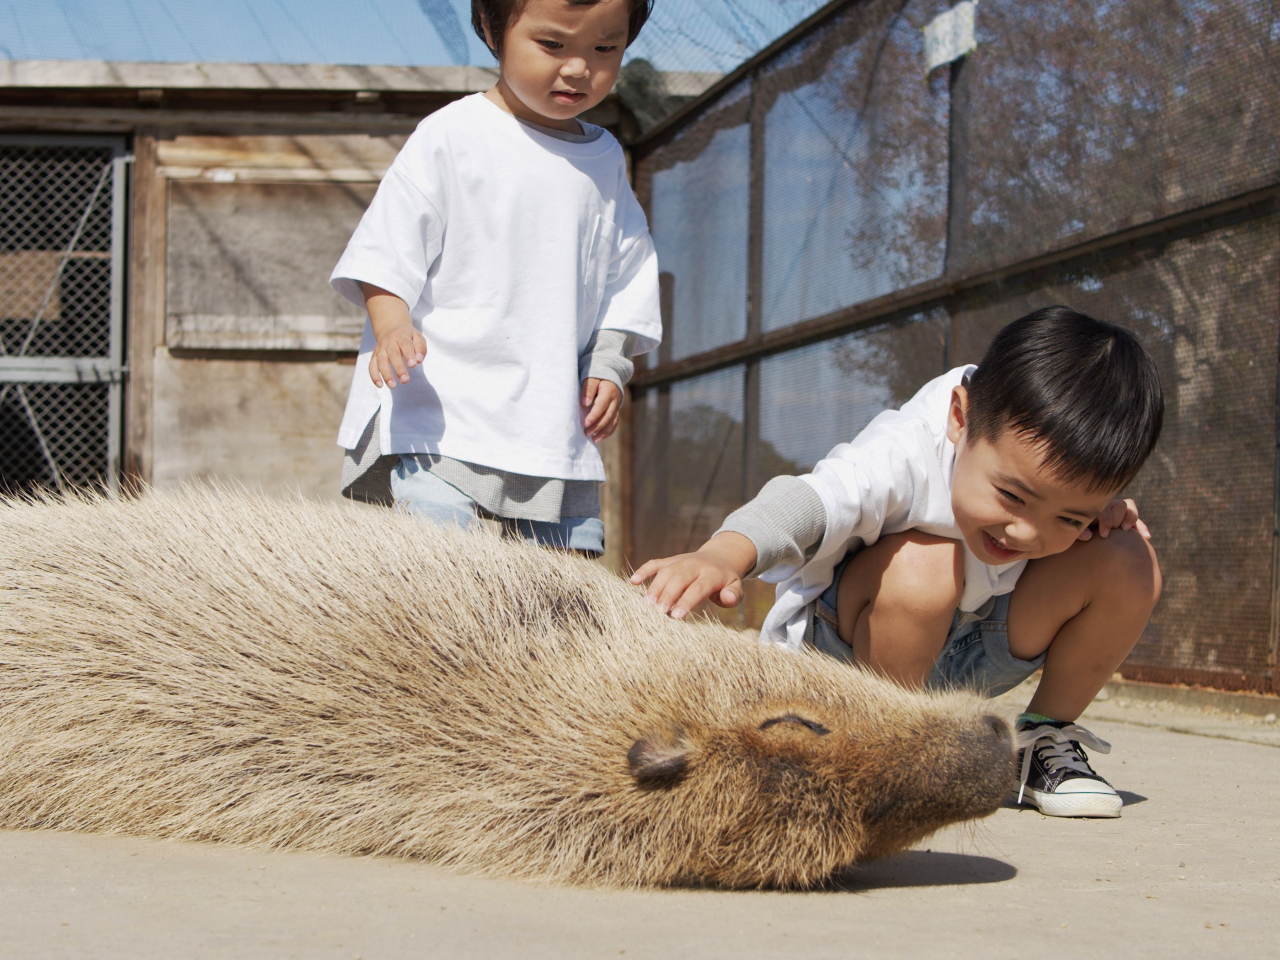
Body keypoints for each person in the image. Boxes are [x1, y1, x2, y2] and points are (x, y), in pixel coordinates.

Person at [632, 307, 1164, 818]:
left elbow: (1067, 518)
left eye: (1068, 516)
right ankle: (878, 751)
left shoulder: (1044, 506)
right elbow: (811, 501)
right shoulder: (904, 450)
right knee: (924, 567)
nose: (1027, 532)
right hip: (845, 662)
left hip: (966, 649)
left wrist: (1092, 525)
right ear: (961, 418)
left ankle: (1043, 737)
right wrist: (723, 553)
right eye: (1013, 496)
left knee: (1126, 555)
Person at [330, 0, 661, 556]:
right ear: (491, 29)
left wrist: (609, 363)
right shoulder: (452, 135)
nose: (580, 68)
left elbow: (625, 278)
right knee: (437, 557)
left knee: (561, 576)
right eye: (553, 45)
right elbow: (388, 248)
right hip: (444, 401)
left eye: (605, 48)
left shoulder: (605, 160)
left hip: (551, 413)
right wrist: (391, 326)